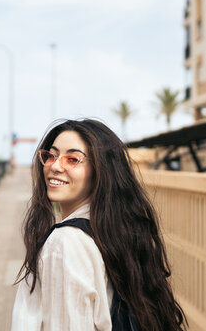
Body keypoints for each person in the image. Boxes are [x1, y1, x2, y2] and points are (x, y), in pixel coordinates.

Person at [12, 119, 186, 331]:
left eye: (72, 159)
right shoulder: (112, 233)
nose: (55, 166)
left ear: (99, 170)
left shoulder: (65, 243)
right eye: (51, 155)